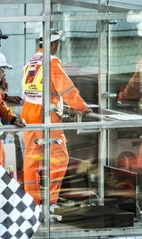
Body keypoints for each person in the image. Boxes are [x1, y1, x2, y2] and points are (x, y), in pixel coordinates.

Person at [21, 34, 90, 210]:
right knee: (60, 158)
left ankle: (32, 201)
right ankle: (52, 201)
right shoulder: (51, 62)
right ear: (54, 44)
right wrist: (82, 108)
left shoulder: (32, 61)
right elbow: (66, 88)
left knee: (32, 159)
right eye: (58, 43)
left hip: (28, 112)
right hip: (45, 113)